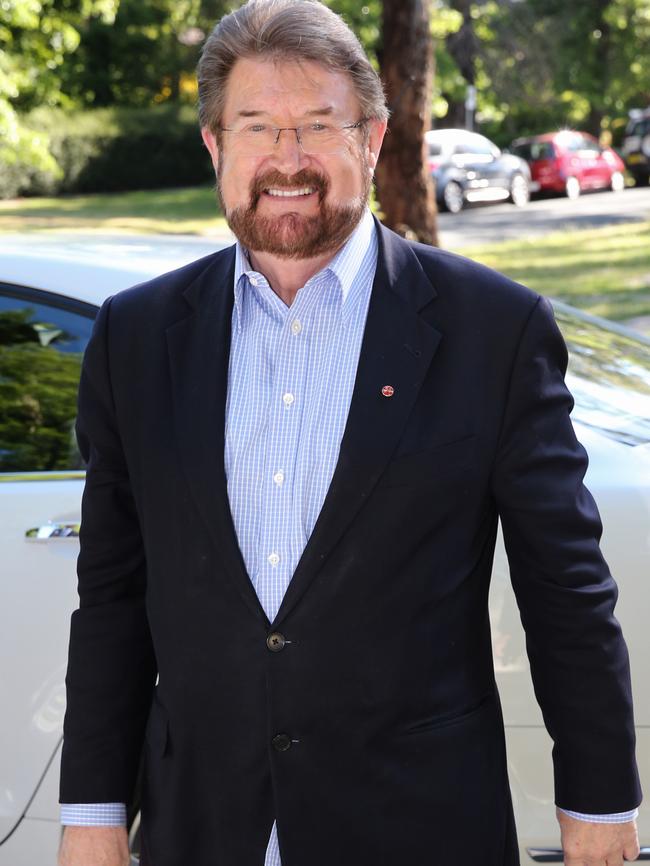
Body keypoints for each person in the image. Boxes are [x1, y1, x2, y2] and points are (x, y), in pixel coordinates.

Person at [57, 1, 642, 864]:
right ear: (217, 148)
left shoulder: (492, 331)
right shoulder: (137, 339)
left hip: (419, 823)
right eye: (257, 127)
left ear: (371, 141)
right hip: (203, 828)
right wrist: (93, 813)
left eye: (318, 127)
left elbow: (566, 590)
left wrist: (598, 801)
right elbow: (111, 599)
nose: (287, 160)